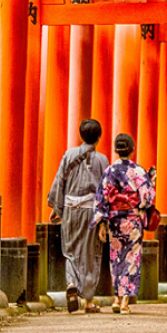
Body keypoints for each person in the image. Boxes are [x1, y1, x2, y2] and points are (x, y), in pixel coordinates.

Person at [47, 119, 110, 313]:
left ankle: (71, 284)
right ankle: (88, 300)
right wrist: (103, 222)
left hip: (70, 208)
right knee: (90, 254)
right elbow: (105, 191)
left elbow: (60, 180)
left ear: (81, 135)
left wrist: (57, 208)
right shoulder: (102, 160)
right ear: (98, 137)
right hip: (91, 211)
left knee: (71, 251)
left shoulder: (69, 155)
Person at [90, 133, 156, 314]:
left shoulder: (109, 171)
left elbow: (102, 197)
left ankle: (116, 298)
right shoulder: (139, 172)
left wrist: (102, 223)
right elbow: (147, 197)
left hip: (114, 220)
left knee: (116, 257)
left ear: (116, 150)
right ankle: (125, 301)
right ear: (132, 149)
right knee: (132, 258)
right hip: (133, 220)